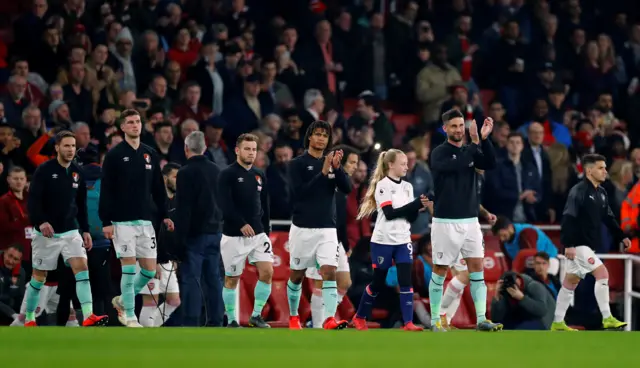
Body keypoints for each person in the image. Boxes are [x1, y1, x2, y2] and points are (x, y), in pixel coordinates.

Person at [428, 109, 502, 332]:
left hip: (471, 222)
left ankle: (481, 318)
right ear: (445, 129)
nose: (459, 130)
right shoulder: (439, 153)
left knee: (476, 268)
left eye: (461, 126)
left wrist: (485, 140)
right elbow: (458, 164)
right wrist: (474, 142)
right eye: (454, 126)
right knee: (440, 269)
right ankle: (434, 320)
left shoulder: (470, 151)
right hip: (445, 222)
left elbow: (490, 162)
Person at [26, 130, 108, 327]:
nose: (71, 150)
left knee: (82, 269)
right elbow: (33, 200)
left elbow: (81, 205)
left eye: (73, 146)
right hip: (47, 233)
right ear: (57, 148)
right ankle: (29, 316)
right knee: (39, 277)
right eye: (66, 146)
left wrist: (86, 230)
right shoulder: (44, 170)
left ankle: (88, 314)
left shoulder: (77, 172)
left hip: (70, 231)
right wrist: (41, 222)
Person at [100, 109, 174, 328]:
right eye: (130, 122)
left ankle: (123, 300)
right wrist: (106, 221)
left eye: (138, 122)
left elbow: (158, 189)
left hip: (145, 221)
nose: (135, 125)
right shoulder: (114, 155)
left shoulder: (150, 153)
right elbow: (107, 190)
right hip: (122, 222)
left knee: (150, 270)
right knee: (129, 268)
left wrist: (166, 214)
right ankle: (130, 314)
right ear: (122, 127)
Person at [351, 149, 430, 331]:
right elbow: (389, 213)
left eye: (406, 163)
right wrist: (414, 205)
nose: (406, 166)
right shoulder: (383, 186)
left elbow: (410, 218)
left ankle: (408, 322)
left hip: (403, 240)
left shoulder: (408, 187)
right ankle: (360, 316)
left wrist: (417, 208)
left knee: (405, 280)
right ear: (390, 165)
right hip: (383, 240)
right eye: (402, 163)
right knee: (378, 281)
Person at [286, 120, 352, 330]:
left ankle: (329, 318)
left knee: (329, 271)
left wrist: (337, 169)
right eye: (317, 134)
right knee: (296, 275)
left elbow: (347, 188)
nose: (321, 138)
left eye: (325, 135)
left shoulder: (331, 163)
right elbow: (299, 194)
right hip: (302, 228)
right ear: (309, 137)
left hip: (327, 229)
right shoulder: (297, 164)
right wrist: (322, 173)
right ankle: (293, 316)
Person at [552, 153, 629, 331]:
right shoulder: (578, 191)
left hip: (588, 246)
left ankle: (557, 321)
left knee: (570, 283)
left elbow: (609, 218)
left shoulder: (601, 193)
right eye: (601, 168)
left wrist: (621, 236)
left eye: (605, 167)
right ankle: (607, 317)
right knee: (602, 274)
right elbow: (568, 217)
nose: (605, 171)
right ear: (589, 170)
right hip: (578, 245)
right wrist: (568, 244)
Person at [218, 133, 272, 328]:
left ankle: (256, 315)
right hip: (234, 235)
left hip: (258, 235)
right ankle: (232, 319)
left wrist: (267, 229)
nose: (251, 153)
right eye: (247, 149)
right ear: (237, 150)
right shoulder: (227, 174)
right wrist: (240, 223)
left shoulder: (259, 175)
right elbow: (224, 203)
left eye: (254, 149)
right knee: (232, 278)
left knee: (267, 272)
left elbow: (264, 204)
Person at [306, 144, 358, 328]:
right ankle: (319, 325)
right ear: (340, 162)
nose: (355, 166)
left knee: (344, 282)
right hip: (321, 237)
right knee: (321, 282)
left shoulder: (344, 186)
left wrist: (345, 243)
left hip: (337, 240)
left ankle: (324, 317)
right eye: (351, 162)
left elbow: (341, 218)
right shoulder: (327, 180)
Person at [175, 131, 223, 326]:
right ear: (204, 148)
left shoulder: (185, 173)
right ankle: (217, 320)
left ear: (186, 149)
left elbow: (184, 209)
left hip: (195, 234)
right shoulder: (217, 170)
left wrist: (179, 240)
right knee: (214, 278)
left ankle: (191, 320)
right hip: (216, 232)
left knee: (191, 278)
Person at [438, 203, 497, 330]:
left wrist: (486, 214)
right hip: (456, 231)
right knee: (466, 275)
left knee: (460, 280)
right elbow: (434, 199)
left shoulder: (469, 186)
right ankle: (440, 313)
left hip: (465, 229)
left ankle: (445, 321)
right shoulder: (452, 185)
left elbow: (473, 200)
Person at [139, 162, 182, 327]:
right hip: (149, 258)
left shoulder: (176, 202)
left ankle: (151, 331)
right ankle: (145, 334)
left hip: (166, 260)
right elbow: (148, 234)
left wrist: (173, 258)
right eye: (175, 177)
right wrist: (154, 262)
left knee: (174, 300)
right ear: (164, 179)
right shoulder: (152, 202)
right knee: (151, 302)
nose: (178, 181)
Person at [490, 271, 556, 330]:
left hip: (544, 321)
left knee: (518, 330)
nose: (512, 284)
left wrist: (522, 298)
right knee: (500, 328)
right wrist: (497, 296)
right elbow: (496, 319)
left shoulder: (534, 286)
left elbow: (542, 311)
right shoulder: (507, 290)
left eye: (513, 281)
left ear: (519, 278)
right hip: (522, 319)